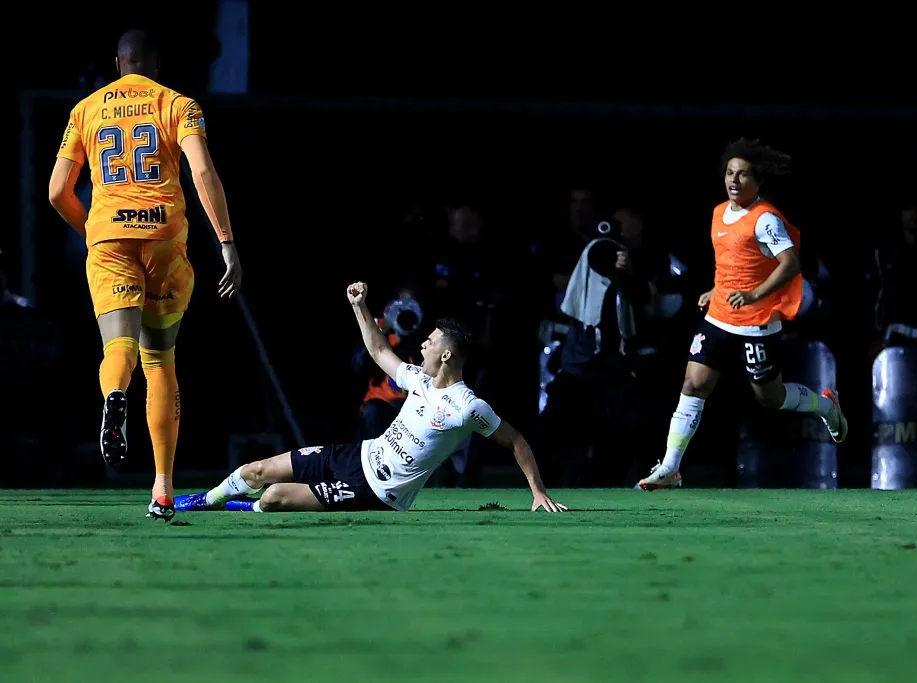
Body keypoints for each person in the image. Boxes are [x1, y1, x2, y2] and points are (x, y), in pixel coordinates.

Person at [47, 30, 242, 520]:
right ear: (156, 62)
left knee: (119, 349)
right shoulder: (178, 104)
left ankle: (114, 394)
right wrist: (227, 243)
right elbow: (202, 173)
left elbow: (56, 191)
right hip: (164, 241)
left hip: (110, 241)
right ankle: (162, 489)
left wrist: (93, 228)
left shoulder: (85, 109)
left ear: (118, 63)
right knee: (161, 361)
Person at [174, 281, 569, 514]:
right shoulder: (418, 380)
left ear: (446, 355)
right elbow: (380, 352)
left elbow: (515, 440)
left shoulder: (467, 406)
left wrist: (537, 493)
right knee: (255, 470)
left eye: (430, 343)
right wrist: (360, 306)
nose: (424, 345)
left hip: (378, 492)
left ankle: (245, 507)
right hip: (357, 455)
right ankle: (205, 500)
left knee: (275, 496)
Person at [638, 138, 848, 490]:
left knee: (770, 397)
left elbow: (790, 264)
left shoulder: (765, 220)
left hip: (757, 323)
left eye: (743, 175)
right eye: (730, 173)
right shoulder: (719, 212)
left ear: (758, 181)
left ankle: (826, 407)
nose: (734, 180)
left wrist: (753, 295)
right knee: (694, 384)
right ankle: (671, 467)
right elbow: (731, 264)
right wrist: (715, 290)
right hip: (719, 317)